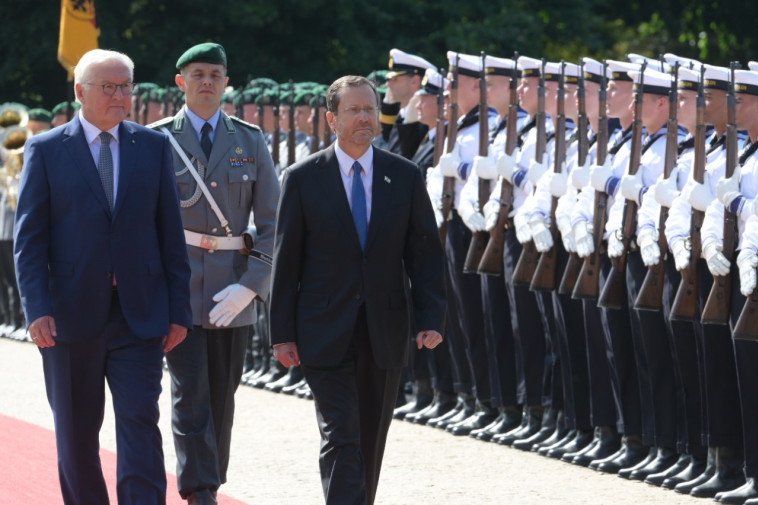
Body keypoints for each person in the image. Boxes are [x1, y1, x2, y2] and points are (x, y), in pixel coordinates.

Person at [13, 48, 192, 505]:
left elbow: (170, 236)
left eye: (125, 86)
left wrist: (179, 312)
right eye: (107, 87)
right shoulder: (47, 149)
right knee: (76, 433)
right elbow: (29, 240)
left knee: (139, 422)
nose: (119, 95)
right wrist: (37, 310)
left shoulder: (152, 146)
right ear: (80, 92)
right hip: (69, 319)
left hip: (141, 315)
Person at [270, 75, 446, 505]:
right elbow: (286, 260)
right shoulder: (303, 178)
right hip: (323, 330)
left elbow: (423, 253)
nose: (365, 117)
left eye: (369, 109)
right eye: (354, 110)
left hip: (383, 330)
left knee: (370, 437)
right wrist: (281, 333)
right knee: (341, 433)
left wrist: (431, 318)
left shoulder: (403, 177)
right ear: (332, 119)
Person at [151, 42, 280, 505]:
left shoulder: (250, 139)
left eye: (216, 74)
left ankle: (211, 478)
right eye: (198, 73)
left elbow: (272, 224)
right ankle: (198, 488)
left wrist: (250, 287)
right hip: (180, 285)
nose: (207, 81)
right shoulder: (156, 139)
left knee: (223, 395)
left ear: (227, 83)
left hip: (233, 287)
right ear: (180, 82)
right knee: (189, 393)